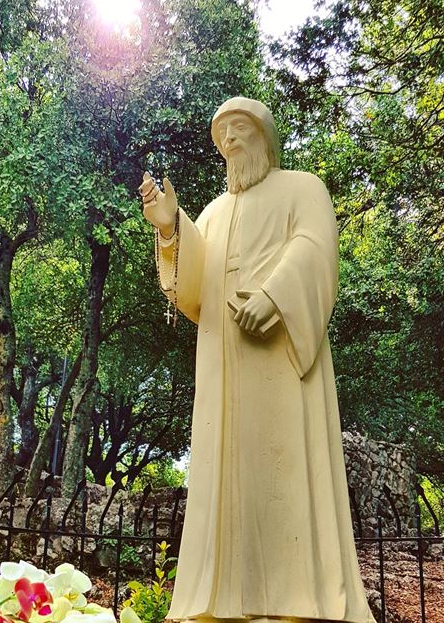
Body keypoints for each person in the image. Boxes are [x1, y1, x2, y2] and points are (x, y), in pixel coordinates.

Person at [139, 97, 375, 623]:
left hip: (283, 368)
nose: (231, 141)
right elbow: (192, 291)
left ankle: (304, 605)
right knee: (229, 489)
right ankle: (222, 605)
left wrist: (275, 295)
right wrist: (170, 227)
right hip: (225, 371)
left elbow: (316, 248)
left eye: (240, 129)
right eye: (223, 135)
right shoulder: (213, 214)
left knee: (286, 476)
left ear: (264, 135)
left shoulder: (303, 188)